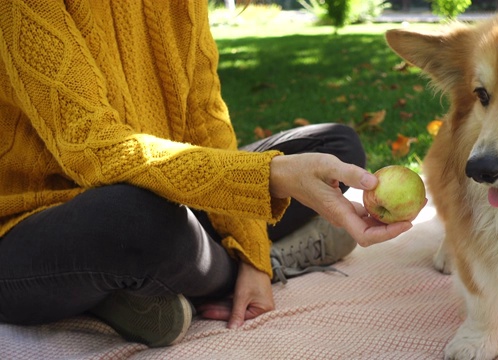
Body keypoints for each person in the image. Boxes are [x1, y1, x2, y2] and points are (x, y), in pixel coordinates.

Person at [0, 0, 412, 348]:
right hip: (35, 224)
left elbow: (206, 124)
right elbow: (93, 148)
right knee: (133, 219)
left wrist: (251, 253)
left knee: (335, 148)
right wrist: (270, 176)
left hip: (162, 188)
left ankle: (152, 285)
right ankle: (240, 270)